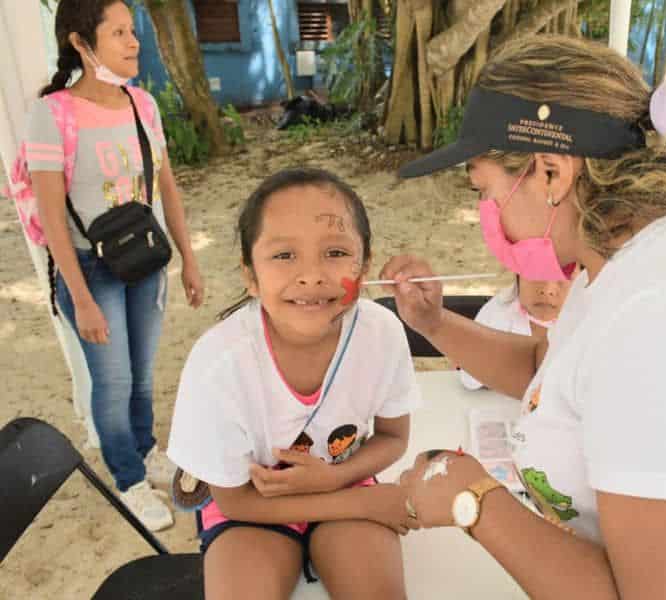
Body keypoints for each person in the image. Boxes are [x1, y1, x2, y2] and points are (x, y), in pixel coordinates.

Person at [382, 37, 666, 600]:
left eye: (486, 189)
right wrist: (436, 323)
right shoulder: (619, 268)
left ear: (550, 173)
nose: (486, 215)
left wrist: (470, 500)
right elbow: (552, 374)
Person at [167, 168, 420, 599]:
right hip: (251, 507)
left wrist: (337, 481)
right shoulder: (218, 365)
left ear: (366, 266)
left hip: (344, 479)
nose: (311, 275)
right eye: (284, 256)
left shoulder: (382, 334)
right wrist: (356, 502)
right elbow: (233, 501)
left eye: (336, 252)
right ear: (250, 275)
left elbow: (394, 437)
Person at [26, 0, 204, 531]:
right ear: (82, 44)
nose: (134, 43)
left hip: (144, 259)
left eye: (133, 31)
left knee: (143, 376)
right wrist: (79, 296)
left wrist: (189, 260)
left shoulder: (142, 104)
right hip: (90, 270)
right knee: (113, 381)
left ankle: (146, 449)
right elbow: (52, 215)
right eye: (119, 33)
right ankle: (128, 479)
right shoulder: (52, 113)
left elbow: (166, 187)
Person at [460, 275, 572, 390]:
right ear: (518, 274)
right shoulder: (498, 312)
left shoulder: (587, 317)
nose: (548, 290)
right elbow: (469, 379)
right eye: (536, 273)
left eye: (564, 276)